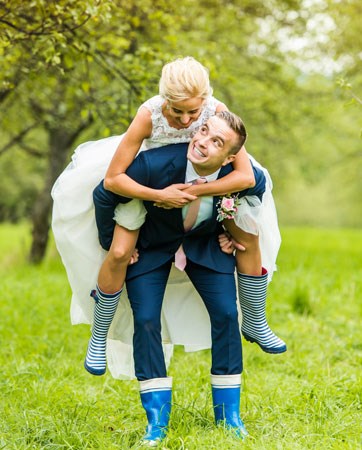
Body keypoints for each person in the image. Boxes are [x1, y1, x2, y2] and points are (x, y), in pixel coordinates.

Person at [51, 57, 285, 378]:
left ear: (205, 99)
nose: (187, 119)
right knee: (120, 252)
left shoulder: (216, 111)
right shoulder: (149, 114)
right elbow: (113, 179)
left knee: (248, 231)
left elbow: (244, 176)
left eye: (193, 111)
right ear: (164, 99)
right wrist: (160, 196)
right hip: (147, 181)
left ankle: (256, 320)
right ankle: (99, 336)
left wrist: (198, 190)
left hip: (203, 176)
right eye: (177, 111)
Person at [94, 111, 266, 444]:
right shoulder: (152, 164)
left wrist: (230, 231)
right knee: (145, 320)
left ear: (231, 157)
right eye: (203, 132)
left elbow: (255, 193)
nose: (202, 142)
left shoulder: (238, 174)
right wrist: (113, 246)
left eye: (217, 142)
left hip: (205, 246)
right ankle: (156, 422)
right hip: (152, 248)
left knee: (228, 314)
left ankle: (229, 417)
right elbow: (105, 193)